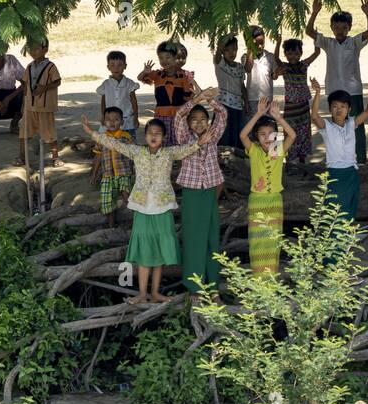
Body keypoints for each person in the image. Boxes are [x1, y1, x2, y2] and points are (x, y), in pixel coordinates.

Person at [81, 113, 215, 304]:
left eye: (158, 133)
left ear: (164, 137)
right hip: (143, 208)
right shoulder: (137, 152)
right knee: (144, 252)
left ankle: (155, 293)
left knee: (159, 252)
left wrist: (200, 143)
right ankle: (142, 294)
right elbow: (115, 144)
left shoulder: (169, 153)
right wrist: (91, 132)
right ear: (145, 136)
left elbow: (187, 149)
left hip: (162, 208)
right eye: (150, 133)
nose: (154, 136)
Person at [172, 88, 228, 293]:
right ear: (188, 124)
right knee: (194, 238)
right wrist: (196, 99)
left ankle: (213, 288)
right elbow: (178, 115)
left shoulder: (213, 136)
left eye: (203, 119)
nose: (199, 123)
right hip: (192, 193)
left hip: (210, 192)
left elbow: (222, 115)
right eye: (194, 120)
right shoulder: (184, 138)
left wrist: (210, 100)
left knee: (212, 237)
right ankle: (194, 289)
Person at [306, 0, 368, 164]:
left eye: (344, 27)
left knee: (356, 125)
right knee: (338, 125)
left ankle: (361, 158)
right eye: (336, 27)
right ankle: (341, 157)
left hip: (353, 90)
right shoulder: (328, 43)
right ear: (332, 28)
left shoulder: (354, 42)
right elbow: (309, 31)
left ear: (349, 27)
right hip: (334, 90)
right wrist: (314, 12)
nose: (340, 30)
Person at [239, 97, 297, 275]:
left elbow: (293, 135)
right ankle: (258, 279)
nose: (266, 137)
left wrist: (278, 118)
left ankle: (271, 278)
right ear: (256, 136)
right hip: (257, 201)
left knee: (272, 241)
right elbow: (242, 135)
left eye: (271, 134)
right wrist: (258, 114)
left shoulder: (277, 150)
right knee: (258, 241)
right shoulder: (254, 150)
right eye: (262, 134)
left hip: (274, 202)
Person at [309, 78, 368, 225]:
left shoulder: (352, 123)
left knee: (349, 212)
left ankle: (344, 244)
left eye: (343, 106)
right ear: (330, 109)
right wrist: (317, 92)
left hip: (352, 174)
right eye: (335, 106)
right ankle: (334, 246)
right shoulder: (326, 126)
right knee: (334, 212)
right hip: (335, 175)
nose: (339, 109)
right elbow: (314, 116)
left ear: (349, 110)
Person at [138, 41, 196, 145]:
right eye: (161, 58)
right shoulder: (157, 75)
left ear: (175, 58)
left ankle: (178, 161)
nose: (164, 61)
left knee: (178, 140)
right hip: (161, 115)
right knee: (162, 139)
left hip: (178, 115)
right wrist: (145, 72)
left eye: (168, 57)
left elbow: (189, 97)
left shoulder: (183, 77)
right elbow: (140, 78)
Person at [276, 38, 321, 165]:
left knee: (304, 133)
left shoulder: (303, 65)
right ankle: (290, 162)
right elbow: (275, 58)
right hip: (291, 109)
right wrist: (279, 43)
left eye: (296, 53)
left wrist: (315, 37)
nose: (293, 57)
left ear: (301, 53)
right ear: (285, 54)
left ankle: (302, 162)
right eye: (289, 54)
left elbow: (317, 53)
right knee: (289, 134)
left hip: (303, 107)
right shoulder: (284, 67)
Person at [19, 38, 60, 167]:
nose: (33, 52)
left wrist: (44, 88)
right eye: (31, 49)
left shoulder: (50, 67)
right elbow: (25, 85)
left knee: (49, 133)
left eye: (36, 49)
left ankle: (55, 158)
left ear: (45, 50)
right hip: (30, 107)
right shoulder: (29, 66)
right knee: (24, 132)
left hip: (44, 106)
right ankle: (22, 157)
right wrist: (23, 104)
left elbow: (57, 81)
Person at [91, 106, 133, 225]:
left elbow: (133, 155)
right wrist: (94, 175)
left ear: (122, 121)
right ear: (104, 122)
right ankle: (111, 227)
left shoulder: (126, 137)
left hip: (124, 173)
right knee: (108, 203)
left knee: (127, 197)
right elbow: (98, 156)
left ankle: (136, 223)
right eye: (108, 119)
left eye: (116, 119)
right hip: (107, 176)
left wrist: (134, 170)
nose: (112, 122)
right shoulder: (101, 138)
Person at [213, 36, 247, 150]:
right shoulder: (220, 63)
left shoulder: (239, 67)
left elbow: (242, 86)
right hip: (224, 105)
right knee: (223, 134)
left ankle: (234, 160)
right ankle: (221, 160)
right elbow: (217, 56)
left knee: (236, 133)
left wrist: (246, 103)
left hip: (238, 106)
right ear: (222, 50)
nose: (231, 53)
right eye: (227, 50)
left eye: (234, 49)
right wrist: (222, 43)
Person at [96, 51, 140, 134]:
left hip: (127, 119)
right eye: (112, 65)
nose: (116, 68)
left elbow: (134, 102)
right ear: (108, 67)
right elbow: (103, 102)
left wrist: (136, 117)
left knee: (128, 141)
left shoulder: (130, 83)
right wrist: (103, 116)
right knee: (108, 142)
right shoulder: (106, 84)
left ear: (125, 66)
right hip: (110, 120)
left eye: (120, 65)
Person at [244, 27, 277, 114]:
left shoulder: (270, 56)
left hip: (267, 98)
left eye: (261, 42)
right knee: (255, 124)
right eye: (255, 43)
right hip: (252, 98)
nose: (259, 46)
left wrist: (277, 73)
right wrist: (250, 50)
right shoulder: (245, 57)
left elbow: (274, 76)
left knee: (267, 124)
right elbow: (248, 68)